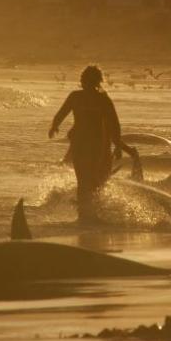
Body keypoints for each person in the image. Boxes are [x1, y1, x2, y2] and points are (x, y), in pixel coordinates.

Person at [49, 65, 136, 223]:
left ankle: (89, 214)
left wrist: (117, 145)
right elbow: (62, 113)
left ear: (95, 82)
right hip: (85, 144)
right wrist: (54, 125)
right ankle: (86, 215)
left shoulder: (100, 99)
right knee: (85, 180)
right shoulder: (88, 98)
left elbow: (114, 124)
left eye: (87, 80)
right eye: (84, 80)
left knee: (91, 180)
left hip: (94, 145)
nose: (85, 83)